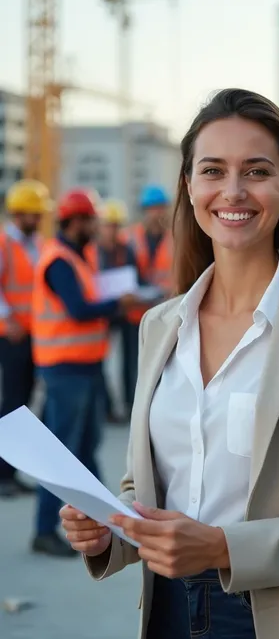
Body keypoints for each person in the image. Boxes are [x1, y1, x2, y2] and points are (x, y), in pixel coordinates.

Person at [61, 89, 279, 639]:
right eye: (213, 170)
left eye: (257, 171)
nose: (233, 191)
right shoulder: (160, 325)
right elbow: (144, 490)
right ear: (190, 186)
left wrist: (221, 546)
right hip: (168, 608)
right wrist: (111, 529)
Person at [31, 188, 139, 557]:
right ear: (76, 221)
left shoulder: (81, 254)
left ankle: (101, 525)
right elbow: (78, 310)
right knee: (61, 455)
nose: (96, 225)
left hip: (86, 367)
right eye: (91, 219)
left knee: (87, 450)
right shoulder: (59, 260)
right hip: (65, 370)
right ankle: (45, 530)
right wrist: (118, 304)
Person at [0, 179, 52, 498]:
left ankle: (11, 471)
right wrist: (6, 318)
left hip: (34, 333)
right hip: (13, 336)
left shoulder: (37, 243)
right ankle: (3, 473)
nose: (39, 219)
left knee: (23, 404)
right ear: (20, 214)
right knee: (12, 404)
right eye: (35, 214)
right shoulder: (5, 243)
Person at [86, 199, 142, 421]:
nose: (113, 230)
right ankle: (107, 407)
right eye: (109, 225)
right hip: (102, 313)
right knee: (99, 360)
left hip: (126, 312)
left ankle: (130, 406)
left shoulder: (126, 249)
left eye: (116, 225)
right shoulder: (91, 250)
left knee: (130, 362)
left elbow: (134, 276)